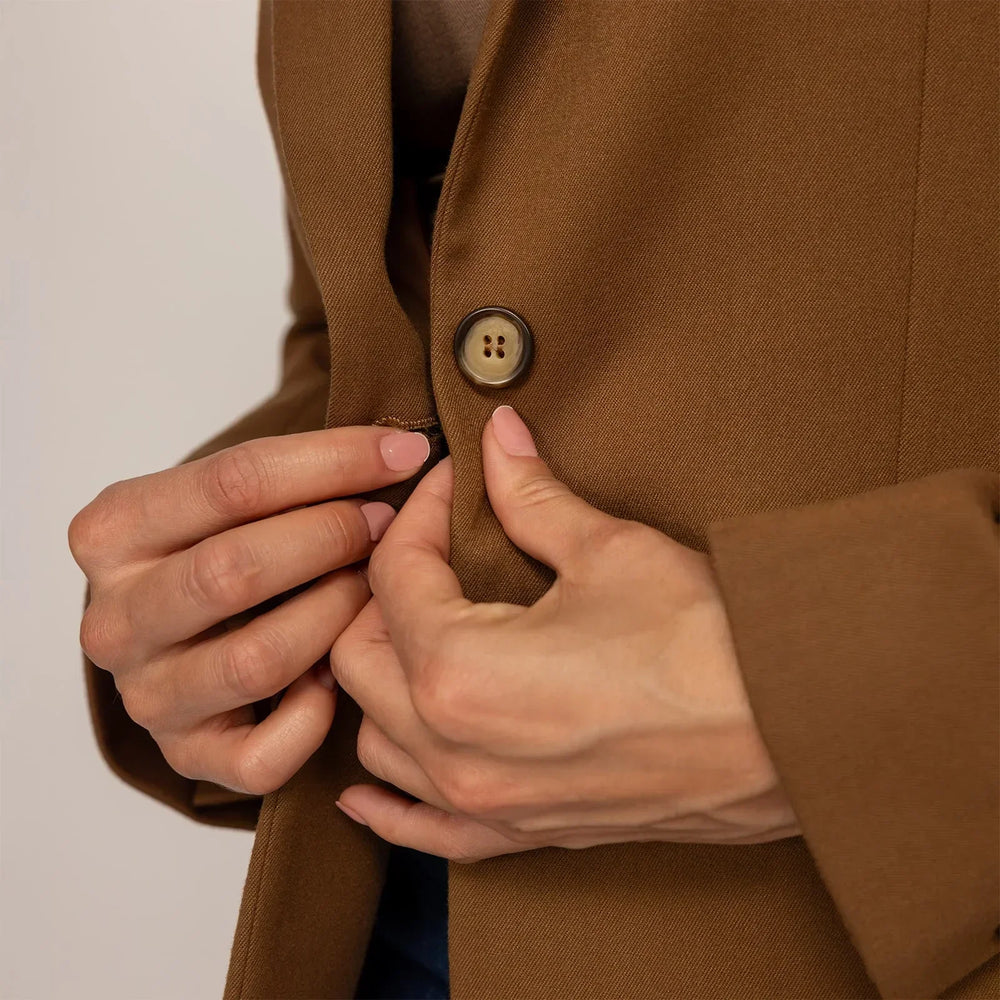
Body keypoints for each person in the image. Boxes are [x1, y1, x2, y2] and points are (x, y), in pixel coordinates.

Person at [69, 2, 999, 999]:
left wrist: (856, 697)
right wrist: (220, 596)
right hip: (390, 898)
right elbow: (382, 316)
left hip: (862, 936)